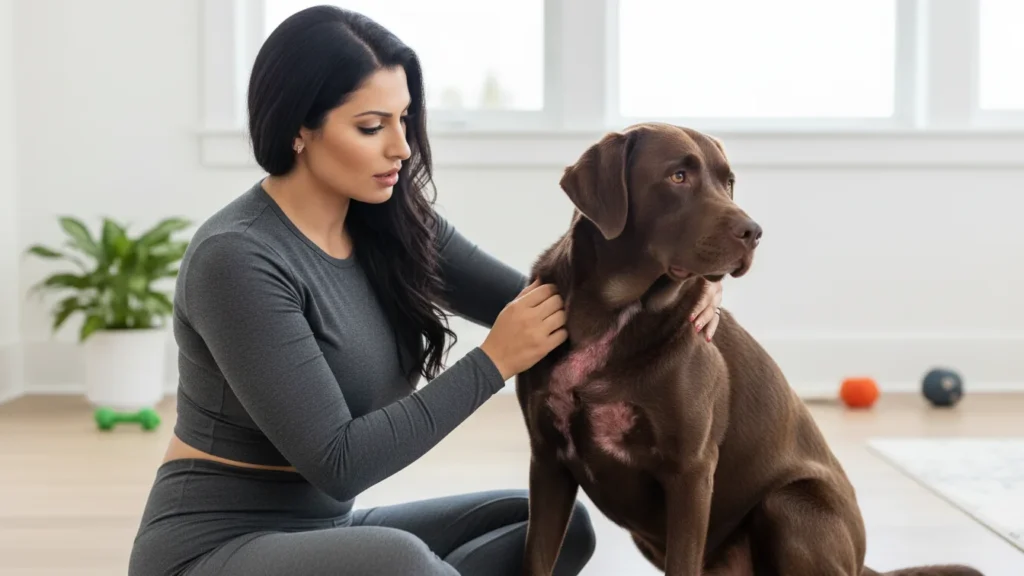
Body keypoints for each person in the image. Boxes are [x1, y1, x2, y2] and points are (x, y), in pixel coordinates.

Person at [128, 6, 724, 576]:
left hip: (325, 532)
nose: (402, 147)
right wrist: (493, 362)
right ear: (299, 129)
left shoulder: (394, 224)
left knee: (555, 528)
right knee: (401, 563)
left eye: (405, 119)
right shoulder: (237, 259)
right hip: (211, 549)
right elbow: (340, 463)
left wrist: (683, 289)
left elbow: (557, 309)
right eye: (371, 126)